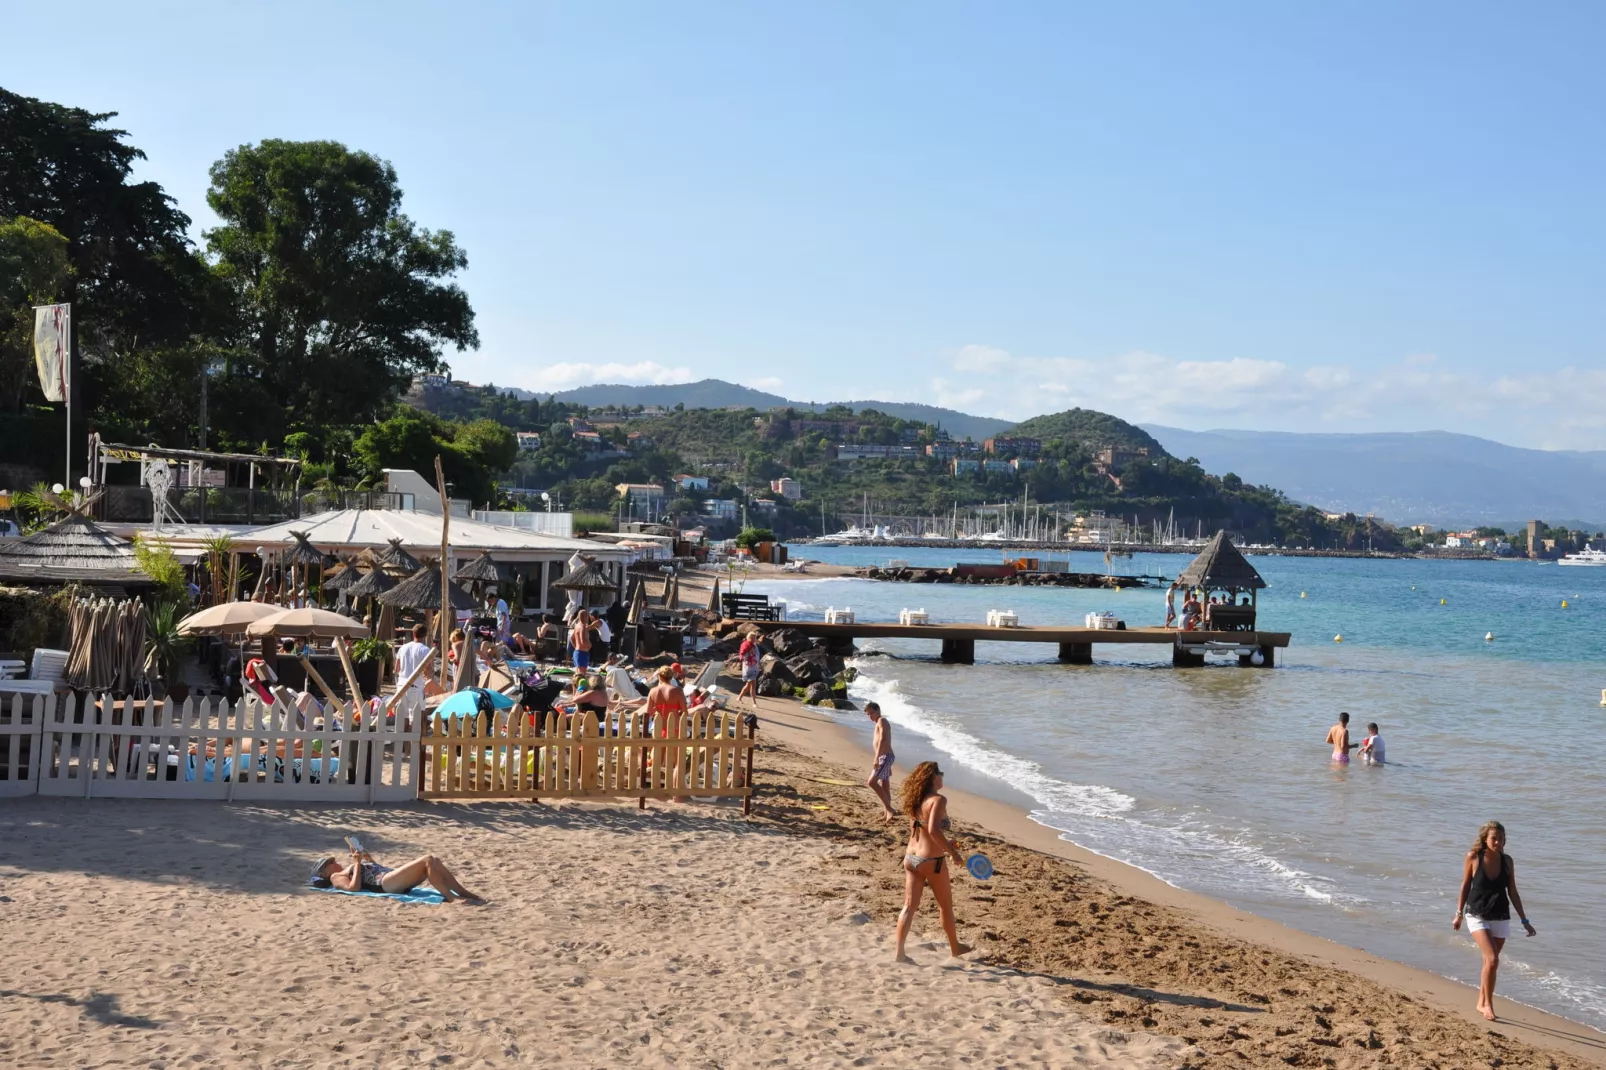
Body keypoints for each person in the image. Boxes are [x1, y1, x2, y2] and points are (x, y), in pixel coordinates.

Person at [1453, 820, 1536, 1021]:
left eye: (1501, 838)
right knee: (1492, 959)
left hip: (1500, 914)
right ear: (1485, 838)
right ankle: (1488, 1005)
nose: (1498, 842)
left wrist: (1524, 919)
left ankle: (1481, 1002)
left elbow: (1513, 891)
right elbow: (1465, 885)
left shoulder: (1507, 861)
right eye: (1494, 838)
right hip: (1477, 913)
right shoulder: (1473, 857)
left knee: (1490, 963)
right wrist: (1459, 914)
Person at [894, 761, 971, 963]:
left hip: (911, 857)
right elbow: (934, 831)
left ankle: (900, 953)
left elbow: (923, 829)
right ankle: (955, 948)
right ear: (933, 777)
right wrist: (953, 853)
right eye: (941, 774)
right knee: (945, 906)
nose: (942, 777)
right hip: (932, 860)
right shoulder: (938, 800)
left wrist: (948, 843)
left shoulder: (916, 799)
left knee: (909, 906)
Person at [311, 845, 483, 904]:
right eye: (330, 863)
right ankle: (451, 898)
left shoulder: (346, 868)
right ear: (326, 872)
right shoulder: (336, 877)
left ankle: (462, 892)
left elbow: (372, 869)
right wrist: (356, 864)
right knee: (428, 859)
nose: (335, 862)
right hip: (385, 883)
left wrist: (366, 857)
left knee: (435, 861)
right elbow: (353, 888)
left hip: (389, 876)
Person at [865, 702, 896, 822]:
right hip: (886, 757)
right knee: (885, 784)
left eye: (871, 713)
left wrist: (876, 758)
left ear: (878, 710)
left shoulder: (882, 720)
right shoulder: (878, 722)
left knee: (872, 782)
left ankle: (889, 809)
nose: (870, 716)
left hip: (885, 757)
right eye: (868, 714)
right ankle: (887, 813)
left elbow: (883, 740)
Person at [395, 624, 434, 699]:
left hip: (401, 685)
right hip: (416, 686)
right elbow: (428, 670)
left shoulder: (403, 647)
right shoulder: (425, 650)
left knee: (401, 710)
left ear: (413, 634)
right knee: (416, 710)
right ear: (425, 635)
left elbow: (397, 668)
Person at [736, 632, 761, 708]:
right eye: (752, 638)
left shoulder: (755, 646)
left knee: (748, 686)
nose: (754, 639)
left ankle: (739, 698)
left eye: (754, 638)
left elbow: (757, 656)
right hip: (748, 669)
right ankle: (754, 703)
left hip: (754, 668)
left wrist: (759, 665)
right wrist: (749, 653)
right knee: (753, 686)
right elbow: (743, 657)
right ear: (749, 638)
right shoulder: (746, 646)